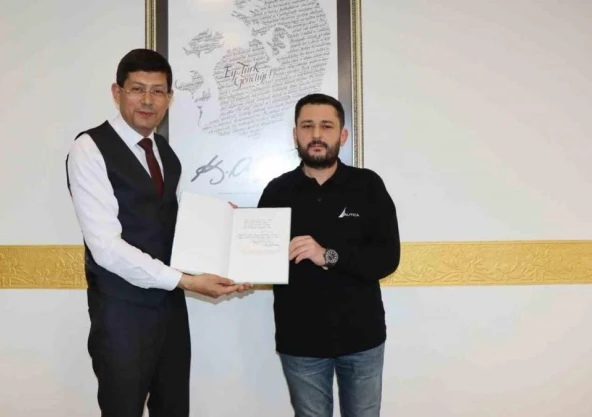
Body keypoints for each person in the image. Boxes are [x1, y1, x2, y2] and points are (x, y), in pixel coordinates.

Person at [66, 48, 249, 417]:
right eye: (137, 89)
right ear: (117, 93)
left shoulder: (164, 152)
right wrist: (185, 281)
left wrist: (224, 229)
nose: (147, 100)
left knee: (174, 409)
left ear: (169, 97)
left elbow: (173, 227)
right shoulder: (89, 148)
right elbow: (106, 247)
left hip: (170, 311)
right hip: (121, 314)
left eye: (158, 91)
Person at [257, 93, 400, 417]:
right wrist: (236, 234)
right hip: (300, 341)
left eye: (326, 126)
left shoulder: (368, 186)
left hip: (362, 338)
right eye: (307, 126)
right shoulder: (276, 191)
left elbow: (387, 257)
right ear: (295, 134)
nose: (316, 135)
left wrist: (328, 256)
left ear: (342, 135)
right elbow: (260, 260)